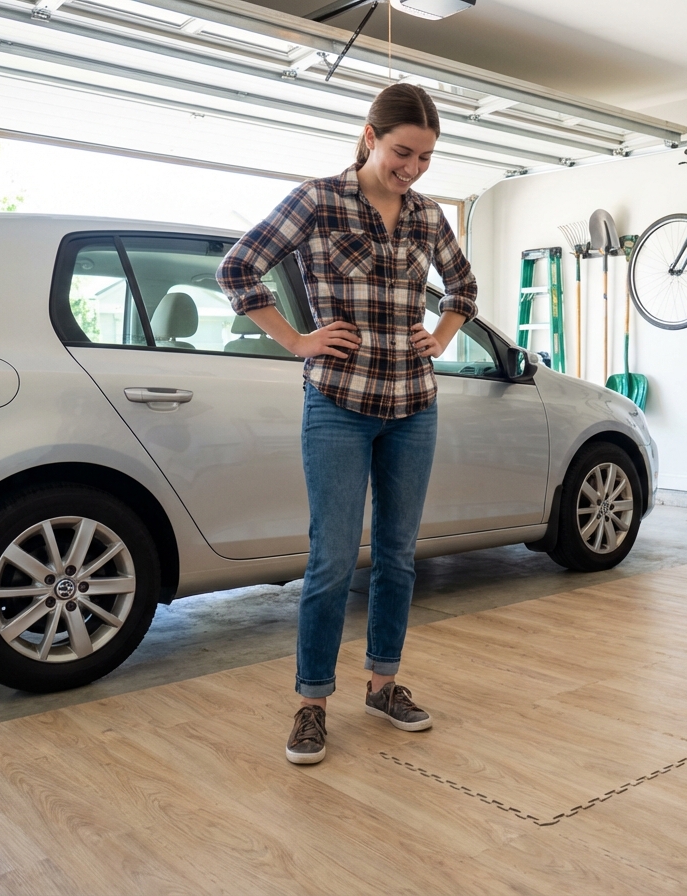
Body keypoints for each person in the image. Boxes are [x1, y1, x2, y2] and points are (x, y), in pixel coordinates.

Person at [217, 83, 477, 765]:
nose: (414, 169)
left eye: (425, 157)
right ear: (370, 135)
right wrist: (296, 339)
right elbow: (238, 267)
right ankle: (311, 703)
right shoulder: (317, 199)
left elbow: (463, 288)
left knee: (396, 556)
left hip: (413, 406)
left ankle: (384, 684)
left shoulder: (426, 215)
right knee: (332, 560)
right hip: (336, 403)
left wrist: (443, 335)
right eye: (402, 153)